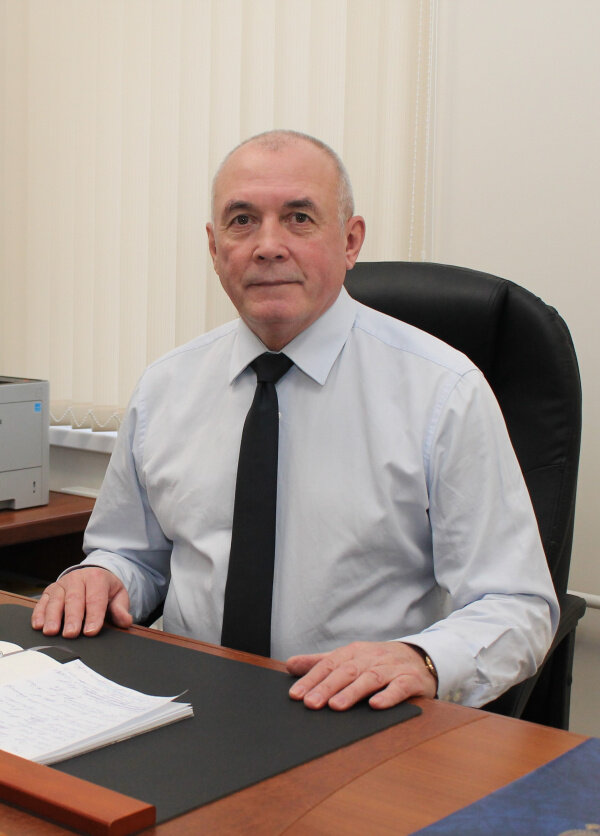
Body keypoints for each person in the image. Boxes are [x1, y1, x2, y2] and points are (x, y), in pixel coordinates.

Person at [32, 130, 558, 712]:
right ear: (214, 247)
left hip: (359, 718)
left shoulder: (443, 392)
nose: (268, 246)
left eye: (299, 218)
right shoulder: (165, 387)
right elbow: (133, 555)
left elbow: (516, 605)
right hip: (185, 707)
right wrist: (101, 577)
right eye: (242, 221)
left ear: (350, 241)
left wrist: (422, 658)